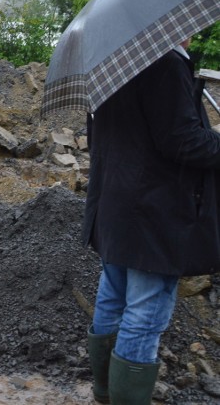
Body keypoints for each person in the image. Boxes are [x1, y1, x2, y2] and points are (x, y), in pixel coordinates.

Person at [84, 37, 220, 404]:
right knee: (145, 311)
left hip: (114, 201)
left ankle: (105, 392)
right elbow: (182, 142)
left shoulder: (110, 61)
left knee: (112, 297)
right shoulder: (165, 62)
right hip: (154, 211)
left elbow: (95, 135)